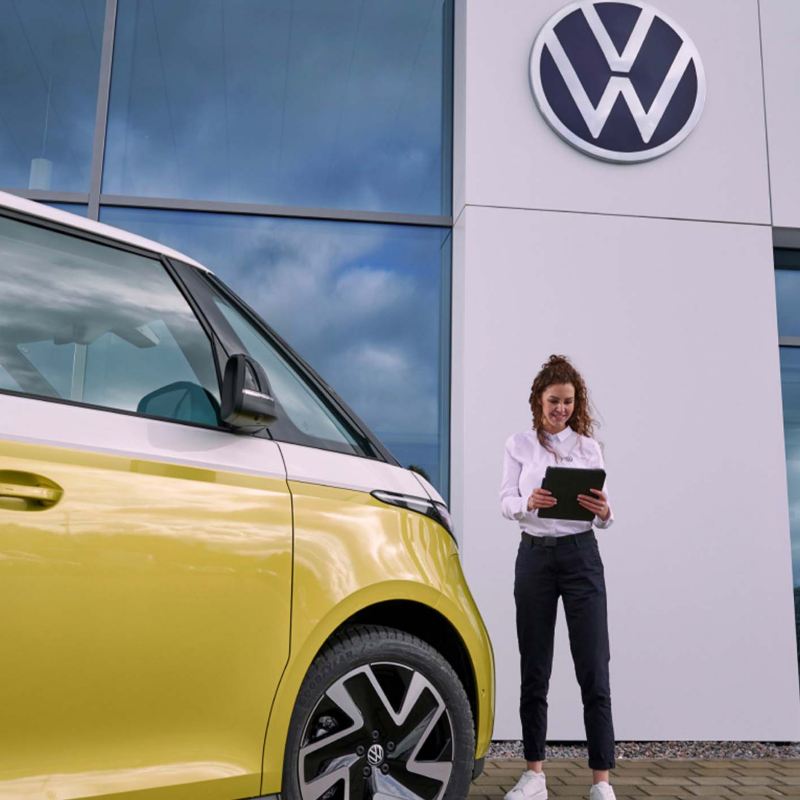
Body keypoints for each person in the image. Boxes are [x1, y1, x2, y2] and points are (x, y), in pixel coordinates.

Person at [500, 354, 617, 800]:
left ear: (576, 403)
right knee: (535, 667)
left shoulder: (589, 448)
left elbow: (604, 513)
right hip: (534, 558)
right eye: (554, 400)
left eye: (568, 402)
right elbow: (505, 501)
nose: (561, 409)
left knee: (594, 668)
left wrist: (606, 512)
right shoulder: (518, 445)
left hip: (581, 557)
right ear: (538, 400)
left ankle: (601, 781)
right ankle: (534, 775)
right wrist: (528, 501)